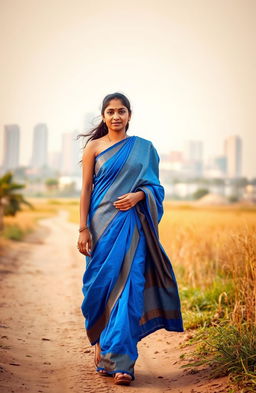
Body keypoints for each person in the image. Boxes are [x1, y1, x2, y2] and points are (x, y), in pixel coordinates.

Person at [77, 92, 184, 386]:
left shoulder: (144, 149)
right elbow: (86, 190)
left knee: (129, 291)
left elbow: (155, 188)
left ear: (129, 115)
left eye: (121, 111)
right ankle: (102, 346)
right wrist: (83, 228)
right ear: (103, 116)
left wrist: (140, 195)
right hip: (100, 229)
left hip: (132, 229)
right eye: (110, 111)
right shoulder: (94, 148)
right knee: (99, 291)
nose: (116, 116)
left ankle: (122, 363)